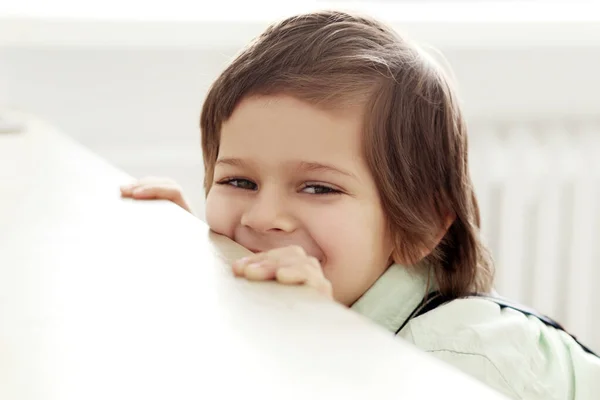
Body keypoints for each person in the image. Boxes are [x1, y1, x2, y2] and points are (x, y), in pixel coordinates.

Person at [120, 10, 599, 399]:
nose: (262, 217)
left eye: (318, 188)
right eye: (239, 180)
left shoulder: (455, 362)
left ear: (422, 225)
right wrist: (192, 271)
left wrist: (318, 350)